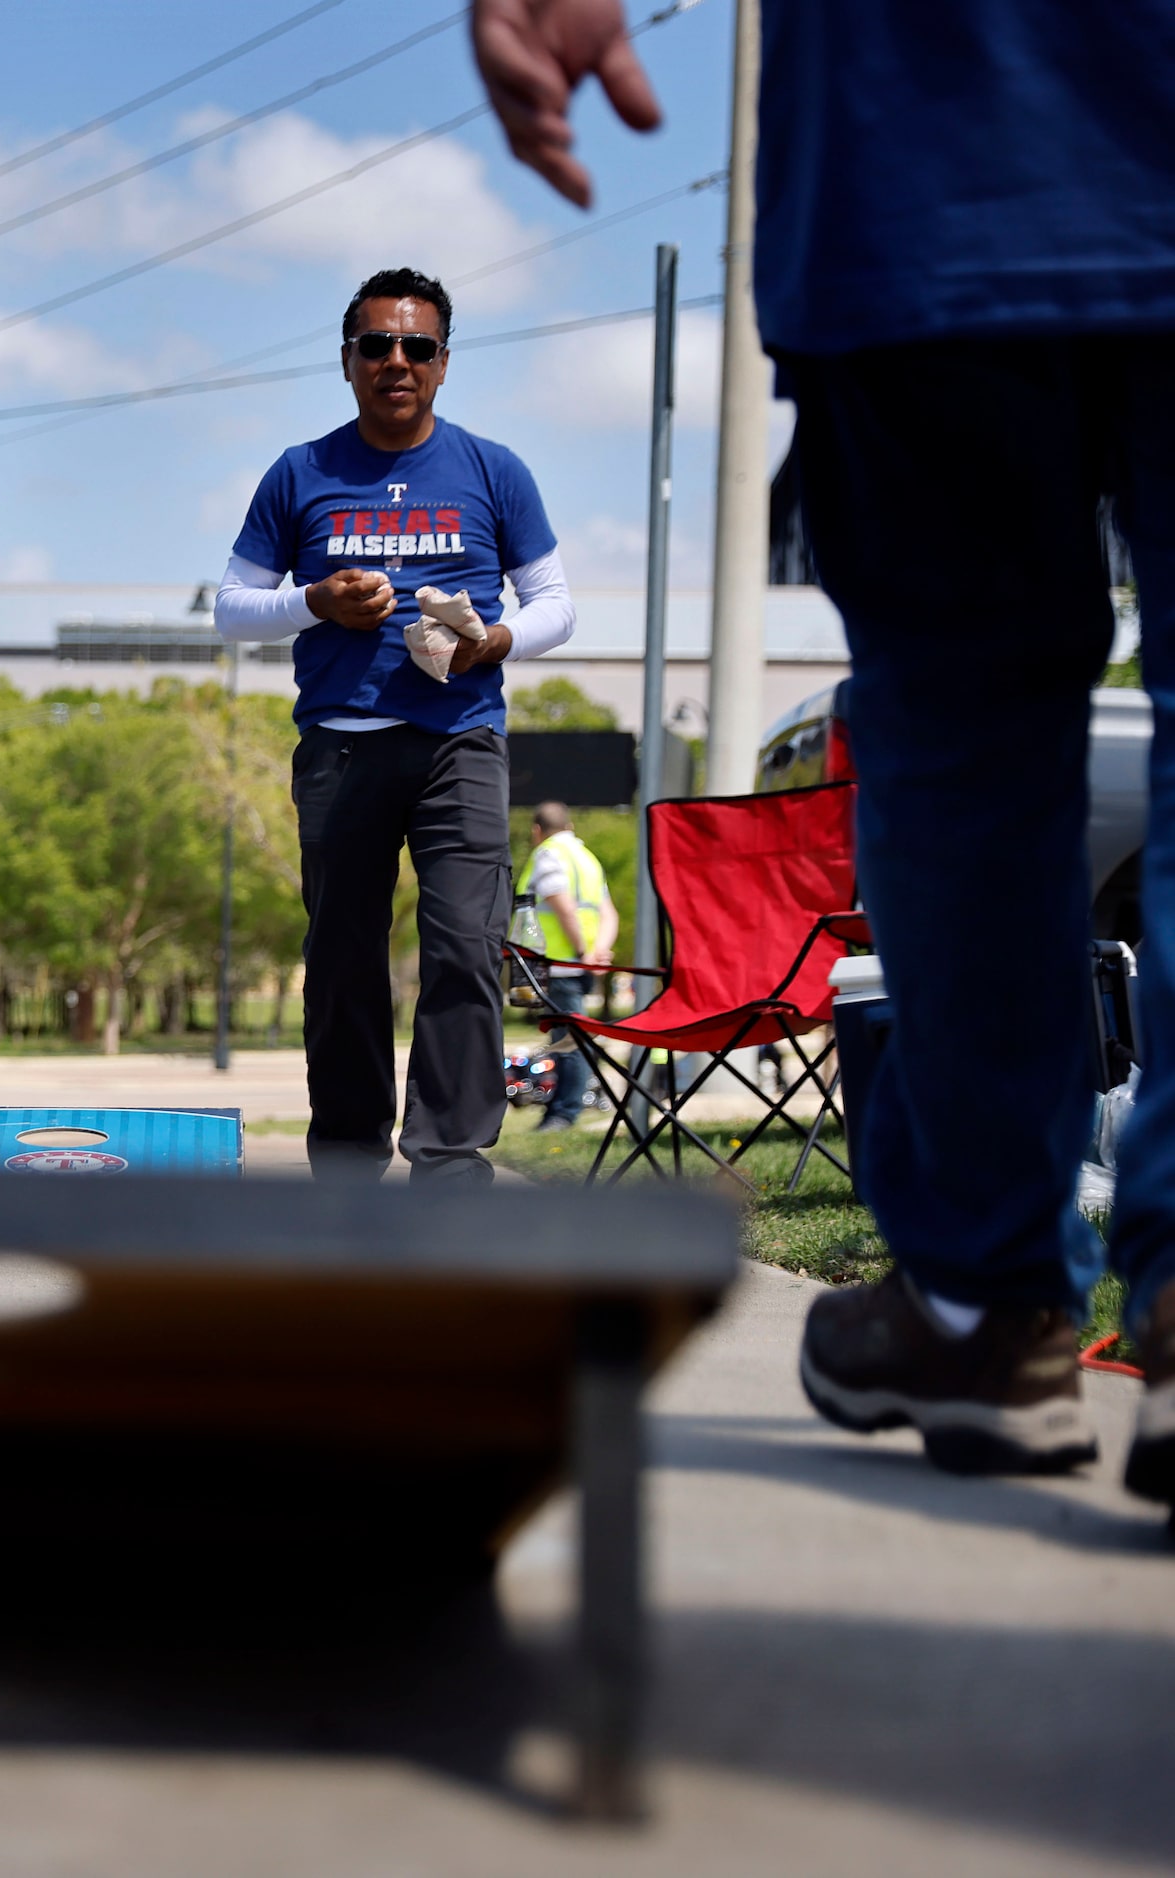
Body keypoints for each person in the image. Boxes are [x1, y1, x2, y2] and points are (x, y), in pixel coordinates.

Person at [471, 0, 1174, 1496]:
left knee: (968, 732)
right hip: (955, 144)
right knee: (967, 733)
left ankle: (987, 1304)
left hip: (931, 151)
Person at [213, 266, 577, 1184]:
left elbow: (555, 604)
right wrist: (314, 602)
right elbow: (229, 607)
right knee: (340, 959)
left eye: (416, 346)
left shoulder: (493, 470)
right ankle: (345, 1162)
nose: (395, 361)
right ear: (347, 361)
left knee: (462, 945)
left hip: (460, 741)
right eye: (375, 345)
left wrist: (495, 639)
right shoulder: (299, 473)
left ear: (443, 363)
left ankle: (450, 1161)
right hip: (339, 747)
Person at [518, 799, 615, 1133]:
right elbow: (608, 912)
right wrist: (598, 949)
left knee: (568, 1044)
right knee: (569, 1040)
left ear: (536, 830)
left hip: (559, 965)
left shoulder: (548, 854)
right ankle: (561, 1110)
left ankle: (563, 1114)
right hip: (581, 965)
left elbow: (561, 904)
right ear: (570, 827)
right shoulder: (587, 858)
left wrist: (581, 949)